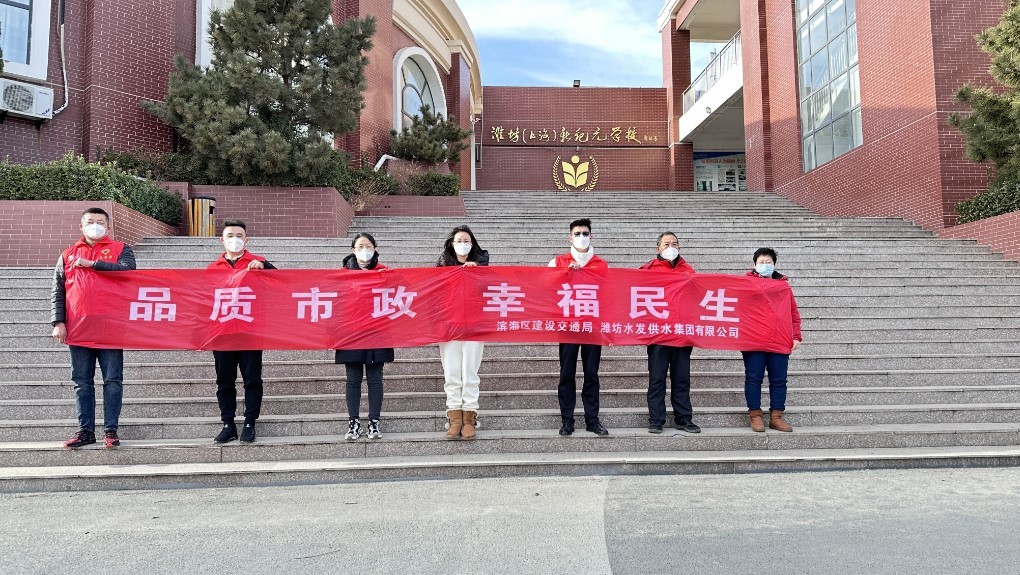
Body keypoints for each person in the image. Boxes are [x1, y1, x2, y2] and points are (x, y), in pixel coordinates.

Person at [51, 207, 137, 449]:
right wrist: (58, 322)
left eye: (100, 222)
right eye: (90, 222)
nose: (95, 226)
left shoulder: (121, 249)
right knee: (81, 381)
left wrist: (93, 264)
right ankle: (85, 431)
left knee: (112, 381)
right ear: (81, 226)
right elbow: (58, 290)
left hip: (111, 328)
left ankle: (111, 430)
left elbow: (129, 270)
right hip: (78, 328)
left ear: (108, 227)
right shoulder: (68, 254)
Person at [207, 219, 276, 444]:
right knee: (224, 381)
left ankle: (249, 423)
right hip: (222, 333)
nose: (234, 240)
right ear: (222, 240)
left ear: (246, 239)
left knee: (252, 380)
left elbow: (283, 282)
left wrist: (265, 267)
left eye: (239, 235)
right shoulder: (213, 268)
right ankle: (228, 424)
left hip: (250, 332)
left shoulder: (258, 262)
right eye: (230, 236)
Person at [548, 218, 609, 436]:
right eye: (577, 234)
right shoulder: (558, 262)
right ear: (570, 237)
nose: (581, 237)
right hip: (568, 326)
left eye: (585, 233)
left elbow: (609, 293)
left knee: (591, 373)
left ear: (591, 236)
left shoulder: (601, 265)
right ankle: (567, 419)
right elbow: (545, 288)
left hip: (592, 326)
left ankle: (592, 419)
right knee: (567, 373)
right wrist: (565, 273)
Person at [639, 232, 701, 434]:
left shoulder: (688, 270)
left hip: (681, 333)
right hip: (658, 334)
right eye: (666, 244)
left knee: (681, 378)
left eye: (674, 243)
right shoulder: (647, 270)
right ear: (658, 248)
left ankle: (683, 418)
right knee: (657, 378)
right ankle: (656, 419)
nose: (671, 247)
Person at [337, 233, 393, 441]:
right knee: (353, 379)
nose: (364, 250)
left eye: (368, 246)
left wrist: (390, 279)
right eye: (360, 246)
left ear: (375, 248)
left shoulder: (385, 271)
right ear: (353, 250)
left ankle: (374, 421)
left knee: (375, 379)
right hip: (351, 332)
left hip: (378, 331)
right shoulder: (342, 274)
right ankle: (353, 422)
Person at [437, 225, 489, 440]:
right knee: (452, 372)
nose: (463, 244)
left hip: (474, 325)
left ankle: (469, 416)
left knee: (470, 372)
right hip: (449, 325)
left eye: (467, 241)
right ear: (452, 244)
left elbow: (491, 291)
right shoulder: (441, 267)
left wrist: (476, 273)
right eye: (459, 241)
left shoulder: (482, 265)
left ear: (472, 243)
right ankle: (454, 417)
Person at [742, 247, 802, 432]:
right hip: (754, 339)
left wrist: (796, 336)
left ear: (774, 264)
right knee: (754, 378)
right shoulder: (745, 284)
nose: (765, 265)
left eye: (768, 262)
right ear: (754, 264)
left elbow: (793, 312)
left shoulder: (783, 286)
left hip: (779, 338)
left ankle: (776, 417)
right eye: (761, 262)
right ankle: (755, 416)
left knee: (779, 380)